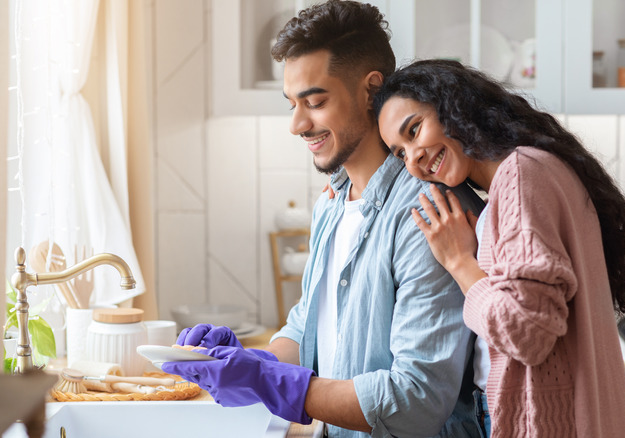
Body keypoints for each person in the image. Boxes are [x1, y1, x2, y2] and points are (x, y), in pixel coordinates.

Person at [162, 3, 485, 437]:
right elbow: (308, 326)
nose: (297, 124)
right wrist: (251, 362)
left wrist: (270, 381)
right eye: (292, 104)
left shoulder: (428, 214)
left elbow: (416, 400)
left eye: (314, 102)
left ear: (371, 90)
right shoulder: (332, 203)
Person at [373, 59, 625, 438]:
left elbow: (527, 330)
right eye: (399, 153)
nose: (414, 159)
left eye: (414, 130)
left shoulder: (520, 175)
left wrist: (460, 263)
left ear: (453, 105)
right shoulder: (529, 171)